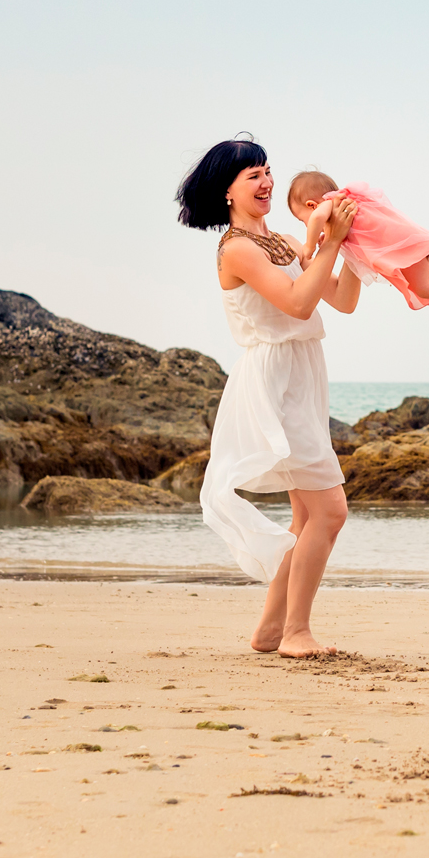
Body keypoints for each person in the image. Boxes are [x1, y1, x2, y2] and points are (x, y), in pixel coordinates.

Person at [174, 137, 363, 658]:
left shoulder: (284, 240)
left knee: (307, 518)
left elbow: (342, 300)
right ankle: (296, 633)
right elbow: (298, 304)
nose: (267, 182)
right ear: (227, 191)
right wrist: (329, 245)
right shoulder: (236, 249)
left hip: (303, 377)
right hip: (271, 383)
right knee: (330, 512)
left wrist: (352, 246)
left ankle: (270, 630)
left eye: (267, 171)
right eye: (253, 175)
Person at [284, 171, 429, 325]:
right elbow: (346, 233)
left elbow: (317, 218)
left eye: (302, 220)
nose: (307, 225)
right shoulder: (346, 205)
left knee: (424, 288)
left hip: (403, 248)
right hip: (411, 240)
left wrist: (309, 246)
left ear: (312, 205)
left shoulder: (329, 204)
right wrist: (329, 238)